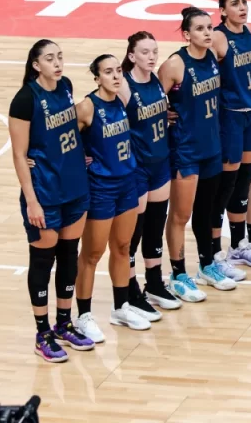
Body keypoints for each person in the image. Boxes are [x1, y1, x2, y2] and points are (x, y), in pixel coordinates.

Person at [9, 40, 94, 363]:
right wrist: (32, 201)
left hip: (75, 186)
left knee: (69, 256)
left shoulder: (67, 86)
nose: (57, 63)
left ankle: (63, 323)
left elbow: (69, 129)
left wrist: (80, 152)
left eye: (59, 57)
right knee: (43, 261)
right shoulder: (25, 99)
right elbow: (19, 154)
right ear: (36, 65)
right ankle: (42, 332)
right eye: (49, 58)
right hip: (45, 193)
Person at [159, 7, 235, 300]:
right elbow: (152, 100)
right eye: (200, 29)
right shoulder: (175, 65)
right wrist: (163, 113)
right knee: (181, 215)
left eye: (209, 27)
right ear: (186, 34)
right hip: (186, 151)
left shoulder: (213, 56)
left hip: (212, 148)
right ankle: (178, 274)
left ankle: (206, 265)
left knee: (206, 212)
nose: (207, 33)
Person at [73, 55, 149, 343]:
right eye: (108, 72)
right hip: (101, 187)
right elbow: (60, 138)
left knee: (123, 247)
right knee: (92, 254)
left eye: (118, 71)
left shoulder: (121, 100)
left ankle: (121, 307)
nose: (116, 76)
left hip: (127, 182)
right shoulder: (87, 107)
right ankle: (84, 316)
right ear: (97, 78)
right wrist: (78, 158)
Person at [211, 0, 251, 274]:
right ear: (222, 11)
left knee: (245, 179)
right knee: (227, 184)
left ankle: (237, 245)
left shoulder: (248, 33)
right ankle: (213, 252)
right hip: (231, 117)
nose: (242, 7)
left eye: (244, 2)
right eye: (235, 4)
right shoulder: (219, 37)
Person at [120, 32, 180, 315]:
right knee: (134, 233)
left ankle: (154, 283)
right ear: (132, 56)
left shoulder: (155, 80)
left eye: (154, 51)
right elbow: (100, 114)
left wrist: (162, 115)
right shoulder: (124, 85)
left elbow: (150, 112)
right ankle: (130, 289)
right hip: (138, 168)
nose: (151, 56)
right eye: (145, 52)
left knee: (155, 228)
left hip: (160, 162)